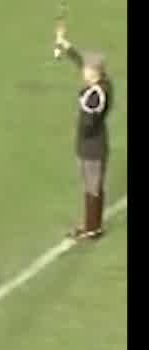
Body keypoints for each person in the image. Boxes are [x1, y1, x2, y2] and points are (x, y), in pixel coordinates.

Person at [53, 20, 115, 241]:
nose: (83, 72)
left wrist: (82, 96)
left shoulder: (96, 94)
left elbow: (88, 123)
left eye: (87, 70)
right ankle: (92, 225)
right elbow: (80, 61)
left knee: (92, 188)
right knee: (91, 186)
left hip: (92, 146)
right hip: (90, 144)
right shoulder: (101, 82)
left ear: (95, 72)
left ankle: (92, 228)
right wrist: (65, 45)